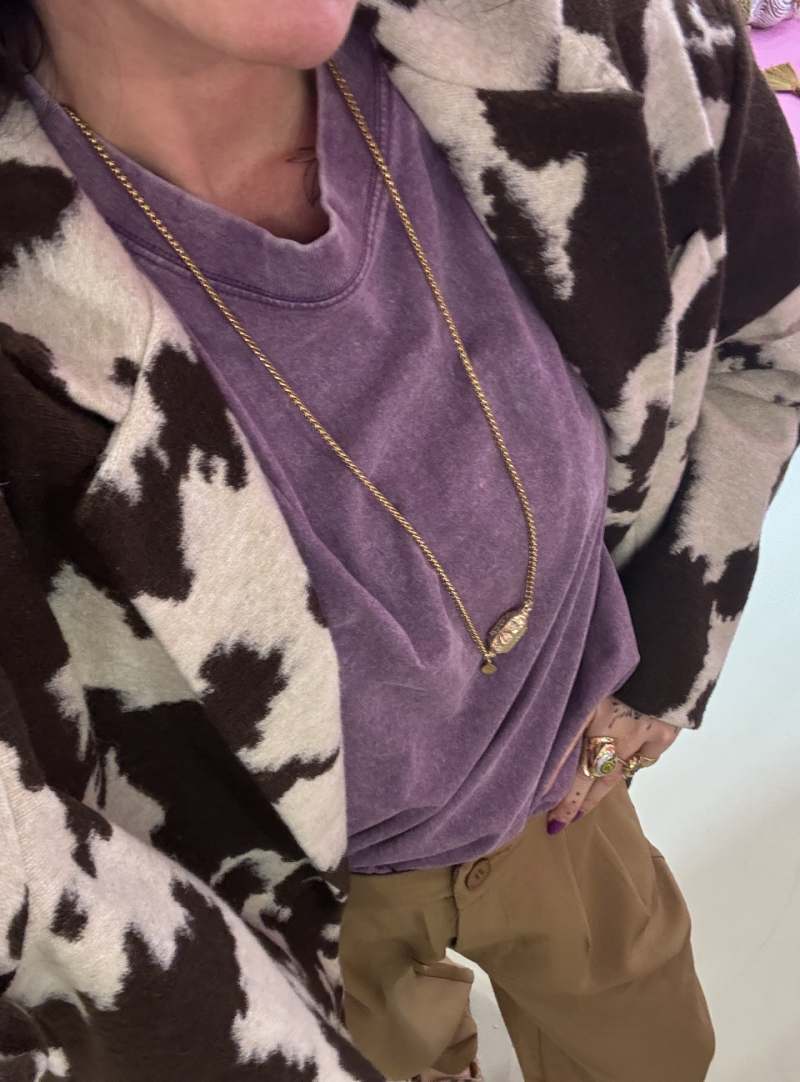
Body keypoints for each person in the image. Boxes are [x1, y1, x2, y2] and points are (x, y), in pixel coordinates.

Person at [0, 0, 798, 1080]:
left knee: (650, 1049)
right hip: (303, 914)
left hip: (567, 796)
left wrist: (668, 651)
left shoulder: (606, 42)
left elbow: (765, 347)